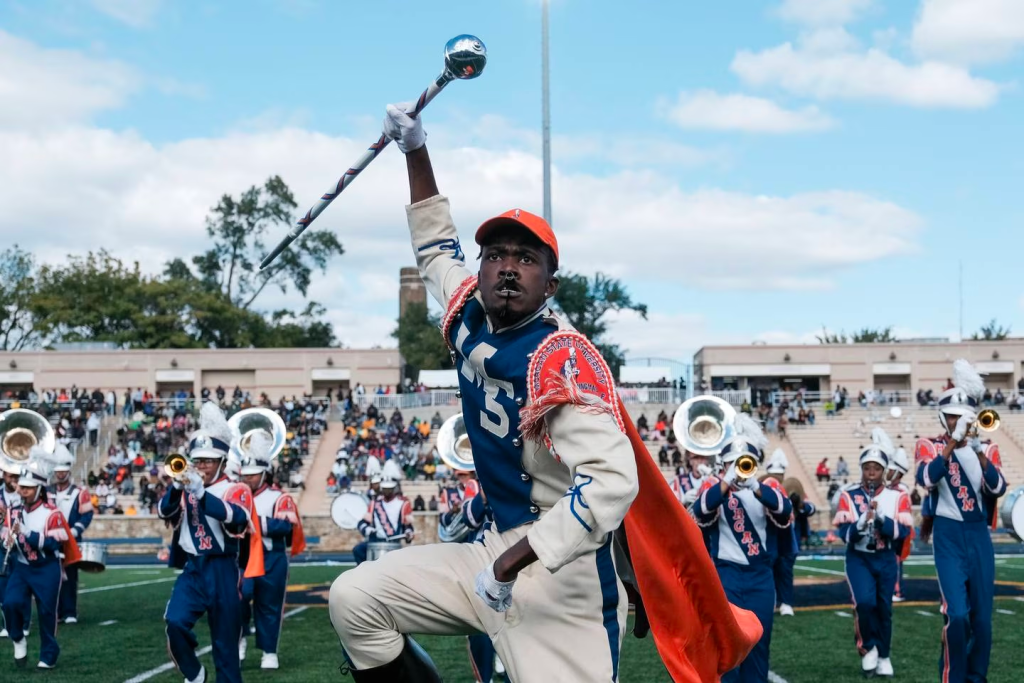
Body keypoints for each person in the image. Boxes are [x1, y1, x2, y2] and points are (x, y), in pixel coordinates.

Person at [328, 101, 760, 682]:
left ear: (550, 284)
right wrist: (416, 150)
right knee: (355, 597)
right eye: (497, 255)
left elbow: (611, 481)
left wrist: (513, 561)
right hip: (489, 551)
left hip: (563, 577)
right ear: (479, 269)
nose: (508, 267)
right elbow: (434, 245)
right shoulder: (467, 312)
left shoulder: (561, 358)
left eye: (526, 259)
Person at [159, 403, 263, 683]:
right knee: (175, 621)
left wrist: (201, 494)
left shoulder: (236, 488)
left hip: (223, 571)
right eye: (198, 460)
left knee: (226, 646)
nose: (202, 465)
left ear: (220, 461)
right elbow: (163, 511)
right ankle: (195, 673)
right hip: (194, 569)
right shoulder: (188, 484)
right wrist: (177, 487)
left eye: (208, 460)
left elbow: (236, 518)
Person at [917, 360, 1006, 683]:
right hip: (948, 535)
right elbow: (926, 478)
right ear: (943, 416)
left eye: (964, 416)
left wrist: (979, 452)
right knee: (956, 614)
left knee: (982, 619)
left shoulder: (988, 448)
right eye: (953, 415)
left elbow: (997, 488)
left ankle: (976, 677)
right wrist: (953, 442)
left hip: (978, 536)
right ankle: (953, 676)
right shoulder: (930, 445)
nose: (959, 421)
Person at [692, 415, 792, 682]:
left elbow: (785, 511)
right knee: (727, 646)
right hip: (727, 576)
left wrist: (755, 486)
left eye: (744, 461)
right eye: (731, 462)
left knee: (759, 643)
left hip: (761, 576)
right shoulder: (713, 486)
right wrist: (727, 482)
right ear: (723, 464)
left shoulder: (767, 486)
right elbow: (701, 510)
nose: (738, 466)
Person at [833, 428, 912, 677]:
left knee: (884, 608)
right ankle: (868, 647)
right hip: (859, 558)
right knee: (865, 604)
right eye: (867, 468)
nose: (871, 473)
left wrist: (880, 520)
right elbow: (843, 533)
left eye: (876, 469)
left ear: (883, 470)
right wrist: (859, 524)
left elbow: (903, 531)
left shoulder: (897, 495)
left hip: (886, 557)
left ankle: (885, 654)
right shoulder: (849, 494)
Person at [2, 447, 81, 669]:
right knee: (10, 603)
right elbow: (5, 535)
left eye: (28, 488)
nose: (23, 492)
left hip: (47, 568)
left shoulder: (52, 513)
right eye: (22, 488)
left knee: (47, 614)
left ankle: (48, 653)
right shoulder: (13, 511)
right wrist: (7, 539)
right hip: (22, 567)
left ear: (39, 489)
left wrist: (27, 533)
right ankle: (17, 637)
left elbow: (54, 543)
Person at [238, 434, 306, 671]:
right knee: (237, 598)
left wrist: (252, 522)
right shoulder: (235, 494)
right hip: (242, 557)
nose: (248, 478)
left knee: (270, 605)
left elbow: (286, 527)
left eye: (253, 474)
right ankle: (240, 637)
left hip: (271, 557)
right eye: (245, 474)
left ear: (265, 473)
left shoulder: (280, 497)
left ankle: (269, 651)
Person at [47, 445, 93, 624]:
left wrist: (76, 529)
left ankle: (70, 611)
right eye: (57, 472)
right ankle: (55, 612)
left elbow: (87, 514)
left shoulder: (79, 492)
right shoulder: (47, 491)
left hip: (71, 539)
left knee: (70, 576)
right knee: (51, 576)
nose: (60, 475)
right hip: (51, 540)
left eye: (63, 472)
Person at [763, 449, 797, 617]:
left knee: (785, 572)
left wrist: (800, 505)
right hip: (768, 538)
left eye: (779, 475)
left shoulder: (790, 489)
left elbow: (809, 507)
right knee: (767, 571)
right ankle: (771, 600)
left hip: (786, 539)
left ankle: (786, 602)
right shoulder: (761, 489)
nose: (776, 478)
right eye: (773, 474)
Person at [0, 458, 31, 639]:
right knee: (3, 587)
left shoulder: (26, 495)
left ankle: (25, 622)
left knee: (23, 586)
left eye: (15, 476)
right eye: (9, 475)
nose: (12, 479)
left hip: (21, 545)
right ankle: (8, 624)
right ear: (3, 475)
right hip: (3, 546)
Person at [352, 477, 414, 565]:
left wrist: (408, 533)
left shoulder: (403, 504)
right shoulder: (375, 504)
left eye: (389, 489)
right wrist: (367, 529)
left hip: (393, 543)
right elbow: (362, 523)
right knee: (358, 550)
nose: (387, 492)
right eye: (385, 489)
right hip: (376, 541)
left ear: (394, 489)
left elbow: (408, 526)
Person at [884, 447, 913, 602]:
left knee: (896, 561)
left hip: (898, 530)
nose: (887, 473)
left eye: (890, 470)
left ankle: (897, 591)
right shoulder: (891, 489)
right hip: (890, 529)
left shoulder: (902, 490)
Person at [669, 438, 715, 509]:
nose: (699, 461)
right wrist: (683, 501)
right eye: (696, 458)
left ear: (707, 461)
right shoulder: (678, 481)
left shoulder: (713, 480)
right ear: (690, 461)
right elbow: (670, 506)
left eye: (703, 457)